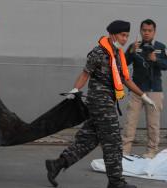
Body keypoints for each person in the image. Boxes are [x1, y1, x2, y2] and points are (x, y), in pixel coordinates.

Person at [45, 20, 156, 188]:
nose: (125, 38)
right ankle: (116, 182)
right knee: (113, 141)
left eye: (127, 35)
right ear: (112, 35)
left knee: (88, 139)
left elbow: (125, 79)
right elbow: (85, 74)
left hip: (107, 101)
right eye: (122, 35)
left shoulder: (117, 54)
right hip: (99, 102)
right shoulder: (98, 52)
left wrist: (143, 96)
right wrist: (75, 89)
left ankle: (57, 164)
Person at [122, 19, 167, 159]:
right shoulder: (134, 46)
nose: (146, 33)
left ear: (154, 31)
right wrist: (130, 52)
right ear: (140, 31)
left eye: (149, 30)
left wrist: (156, 60)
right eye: (144, 30)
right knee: (130, 121)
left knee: (153, 124)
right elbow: (123, 64)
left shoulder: (160, 47)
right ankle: (124, 151)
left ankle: (151, 151)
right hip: (136, 90)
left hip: (154, 91)